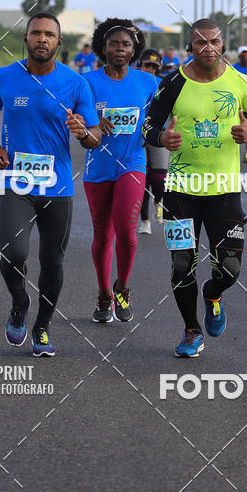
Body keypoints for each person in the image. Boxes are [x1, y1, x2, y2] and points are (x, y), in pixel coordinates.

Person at [143, 18, 247, 358]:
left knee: (229, 270)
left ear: (223, 45)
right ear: (190, 46)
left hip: (223, 191)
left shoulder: (240, 82)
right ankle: (191, 330)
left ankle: (213, 293)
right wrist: (161, 137)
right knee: (180, 265)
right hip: (179, 191)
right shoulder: (172, 82)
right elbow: (146, 125)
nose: (208, 48)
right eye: (200, 42)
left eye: (214, 42)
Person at [0, 12, 101, 357]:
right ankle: (20, 302)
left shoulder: (76, 83)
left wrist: (83, 133)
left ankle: (43, 327)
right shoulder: (4, 77)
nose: (42, 39)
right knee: (13, 253)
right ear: (26, 38)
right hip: (17, 181)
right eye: (36, 33)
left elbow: (92, 136)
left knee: (53, 263)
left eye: (49, 34)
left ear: (58, 42)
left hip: (58, 186)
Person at [83, 19, 158, 323]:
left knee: (127, 231)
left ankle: (123, 288)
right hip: (98, 168)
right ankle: (103, 295)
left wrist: (156, 130)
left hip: (133, 164)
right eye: (114, 43)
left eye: (126, 44)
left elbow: (157, 119)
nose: (120, 48)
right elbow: (78, 125)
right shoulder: (87, 82)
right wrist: (93, 126)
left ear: (134, 50)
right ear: (103, 47)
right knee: (102, 237)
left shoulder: (147, 82)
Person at [137, 49, 167, 234]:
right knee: (141, 181)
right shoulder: (130, 81)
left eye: (155, 67)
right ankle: (145, 221)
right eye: (147, 65)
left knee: (159, 180)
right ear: (140, 64)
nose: (150, 69)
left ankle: (158, 200)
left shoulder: (164, 84)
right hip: (136, 137)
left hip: (157, 134)